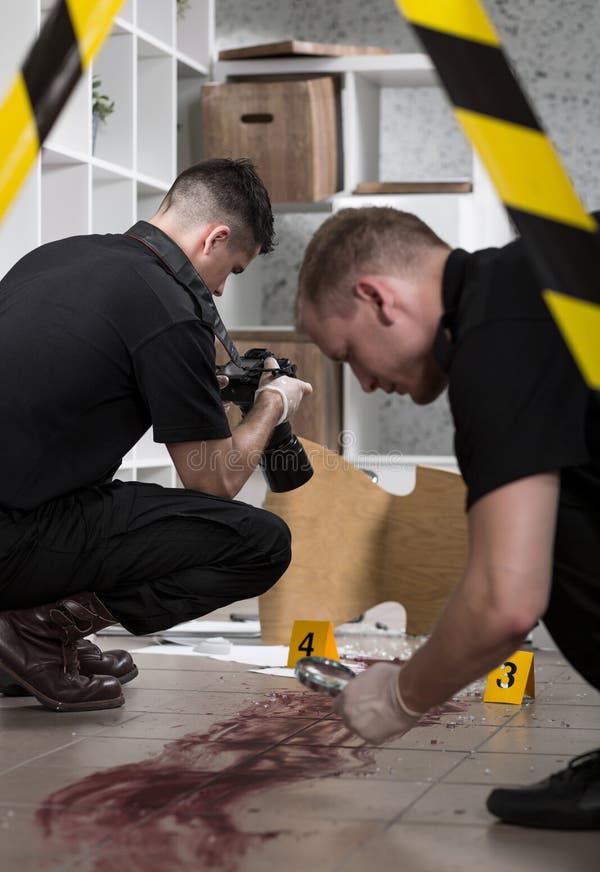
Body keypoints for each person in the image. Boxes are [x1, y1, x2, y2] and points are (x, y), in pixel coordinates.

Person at [295, 205, 600, 830]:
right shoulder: (532, 275)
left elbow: (505, 604)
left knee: (543, 531)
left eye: (349, 352)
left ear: (378, 298)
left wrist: (397, 698)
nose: (367, 382)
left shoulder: (499, 338)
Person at [0, 158, 312, 712]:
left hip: (19, 511)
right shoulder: (172, 309)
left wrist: (197, 384)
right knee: (260, 543)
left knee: (98, 494)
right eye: (231, 271)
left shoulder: (60, 255)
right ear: (214, 237)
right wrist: (269, 405)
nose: (218, 290)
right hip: (14, 537)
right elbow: (212, 482)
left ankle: (33, 633)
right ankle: (37, 631)